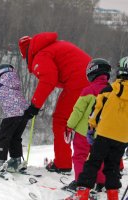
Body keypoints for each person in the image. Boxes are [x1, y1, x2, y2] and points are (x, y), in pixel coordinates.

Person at [18, 32, 91, 173]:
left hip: (78, 83)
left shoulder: (41, 55)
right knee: (97, 120)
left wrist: (34, 106)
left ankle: (62, 164)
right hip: (94, 80)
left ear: (27, 54)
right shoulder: (54, 47)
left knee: (61, 120)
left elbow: (48, 80)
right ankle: (114, 165)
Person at [69, 56, 128, 200]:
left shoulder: (109, 90)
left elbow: (96, 111)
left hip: (104, 134)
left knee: (92, 163)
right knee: (112, 167)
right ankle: (112, 196)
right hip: (122, 138)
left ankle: (82, 193)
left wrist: (91, 128)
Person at [63, 58, 111, 193]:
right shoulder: (112, 91)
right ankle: (101, 182)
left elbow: (78, 111)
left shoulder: (88, 91)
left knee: (80, 156)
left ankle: (80, 182)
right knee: (100, 157)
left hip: (84, 132)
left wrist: (69, 126)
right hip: (103, 133)